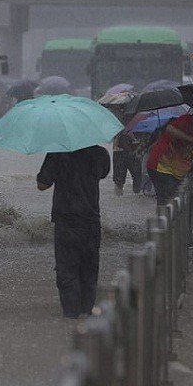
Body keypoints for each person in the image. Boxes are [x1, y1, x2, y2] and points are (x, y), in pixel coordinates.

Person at [36, 145, 111, 319]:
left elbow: (42, 184)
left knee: (66, 268)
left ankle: (71, 314)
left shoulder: (57, 153)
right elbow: (103, 173)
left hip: (66, 220)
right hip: (91, 219)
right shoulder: (100, 153)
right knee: (89, 268)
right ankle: (86, 312)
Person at [146, 110, 193, 205]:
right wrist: (192, 139)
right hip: (162, 166)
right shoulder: (187, 120)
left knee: (168, 202)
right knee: (168, 200)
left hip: (175, 171)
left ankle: (162, 218)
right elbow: (170, 128)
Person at [112, 130, 142, 195]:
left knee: (138, 177)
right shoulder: (116, 127)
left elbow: (140, 142)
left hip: (133, 153)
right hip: (120, 152)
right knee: (119, 179)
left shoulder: (138, 126)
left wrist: (133, 138)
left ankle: (137, 194)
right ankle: (118, 197)